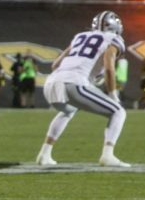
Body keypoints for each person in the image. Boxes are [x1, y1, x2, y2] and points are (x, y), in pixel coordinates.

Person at [36, 11, 130, 167]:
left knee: (68, 111)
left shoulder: (81, 36)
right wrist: (113, 94)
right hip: (74, 83)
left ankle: (44, 154)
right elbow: (109, 67)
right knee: (118, 111)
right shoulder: (113, 39)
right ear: (115, 26)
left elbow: (55, 65)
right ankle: (108, 155)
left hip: (51, 83)